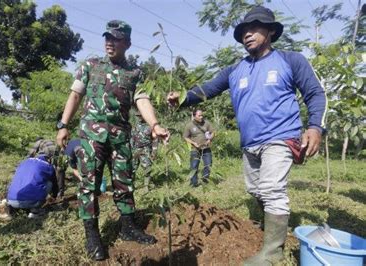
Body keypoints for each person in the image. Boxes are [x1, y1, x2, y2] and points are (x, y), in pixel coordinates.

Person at [167, 6, 326, 265]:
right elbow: (207, 89)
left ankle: (273, 251)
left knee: (271, 188)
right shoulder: (235, 70)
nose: (247, 35)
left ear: (271, 31)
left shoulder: (290, 60)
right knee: (256, 189)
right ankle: (270, 226)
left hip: (281, 137)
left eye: (254, 28)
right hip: (250, 144)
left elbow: (315, 94)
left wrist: (315, 126)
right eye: (243, 31)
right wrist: (183, 98)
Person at [56, 20, 170, 261]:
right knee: (89, 183)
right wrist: (64, 125)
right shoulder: (90, 65)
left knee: (124, 181)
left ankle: (128, 226)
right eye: (107, 37)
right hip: (91, 137)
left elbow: (142, 100)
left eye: (116, 38)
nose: (110, 42)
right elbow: (75, 95)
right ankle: (92, 234)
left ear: (127, 43)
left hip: (120, 136)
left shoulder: (135, 73)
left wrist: (155, 125)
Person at [7, 140, 59, 218]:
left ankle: (14, 209)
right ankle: (35, 211)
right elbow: (55, 186)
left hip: (11, 200)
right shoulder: (47, 166)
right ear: (50, 157)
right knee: (49, 183)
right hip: (31, 201)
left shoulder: (24, 162)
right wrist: (54, 197)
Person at [183, 109, 215, 187]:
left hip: (206, 148)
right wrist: (193, 143)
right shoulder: (189, 125)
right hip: (195, 149)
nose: (201, 117)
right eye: (199, 115)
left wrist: (210, 139)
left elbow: (213, 132)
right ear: (194, 116)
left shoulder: (206, 123)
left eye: (202, 115)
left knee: (208, 165)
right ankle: (194, 184)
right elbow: (185, 137)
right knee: (194, 166)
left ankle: (205, 181)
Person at [131, 111, 156, 192]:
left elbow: (155, 140)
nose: (139, 117)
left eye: (141, 116)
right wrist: (131, 149)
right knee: (132, 168)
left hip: (146, 150)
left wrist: (154, 152)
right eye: (138, 116)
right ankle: (131, 185)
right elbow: (132, 138)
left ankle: (146, 186)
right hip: (136, 150)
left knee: (147, 169)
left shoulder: (150, 126)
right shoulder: (135, 126)